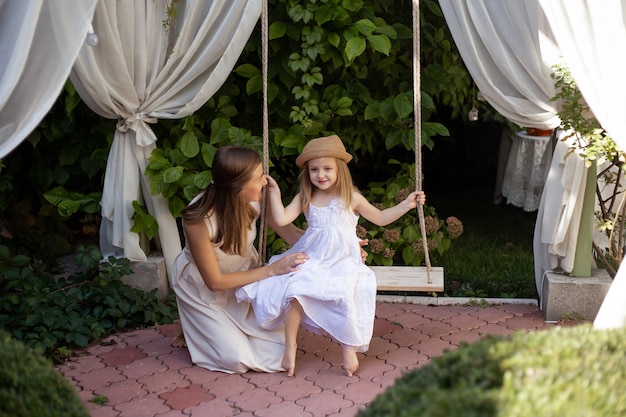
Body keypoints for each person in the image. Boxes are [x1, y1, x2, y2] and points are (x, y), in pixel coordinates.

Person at [236, 135, 426, 377]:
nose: (320, 175)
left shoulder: (351, 198)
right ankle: (290, 347)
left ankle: (348, 347)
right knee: (293, 289)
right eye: (314, 170)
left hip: (343, 260)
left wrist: (406, 204)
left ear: (340, 170)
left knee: (346, 292)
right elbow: (283, 219)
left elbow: (379, 217)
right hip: (313, 257)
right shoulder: (306, 198)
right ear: (307, 174)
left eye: (327, 169)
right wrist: (273, 193)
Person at [170, 145, 310, 374]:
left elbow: (292, 234)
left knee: (276, 351)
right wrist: (272, 270)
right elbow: (214, 282)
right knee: (235, 359)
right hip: (205, 289)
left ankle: (206, 328)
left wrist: (341, 246)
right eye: (258, 178)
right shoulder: (198, 218)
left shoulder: (255, 198)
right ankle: (193, 322)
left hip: (245, 280)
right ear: (237, 186)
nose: (265, 180)